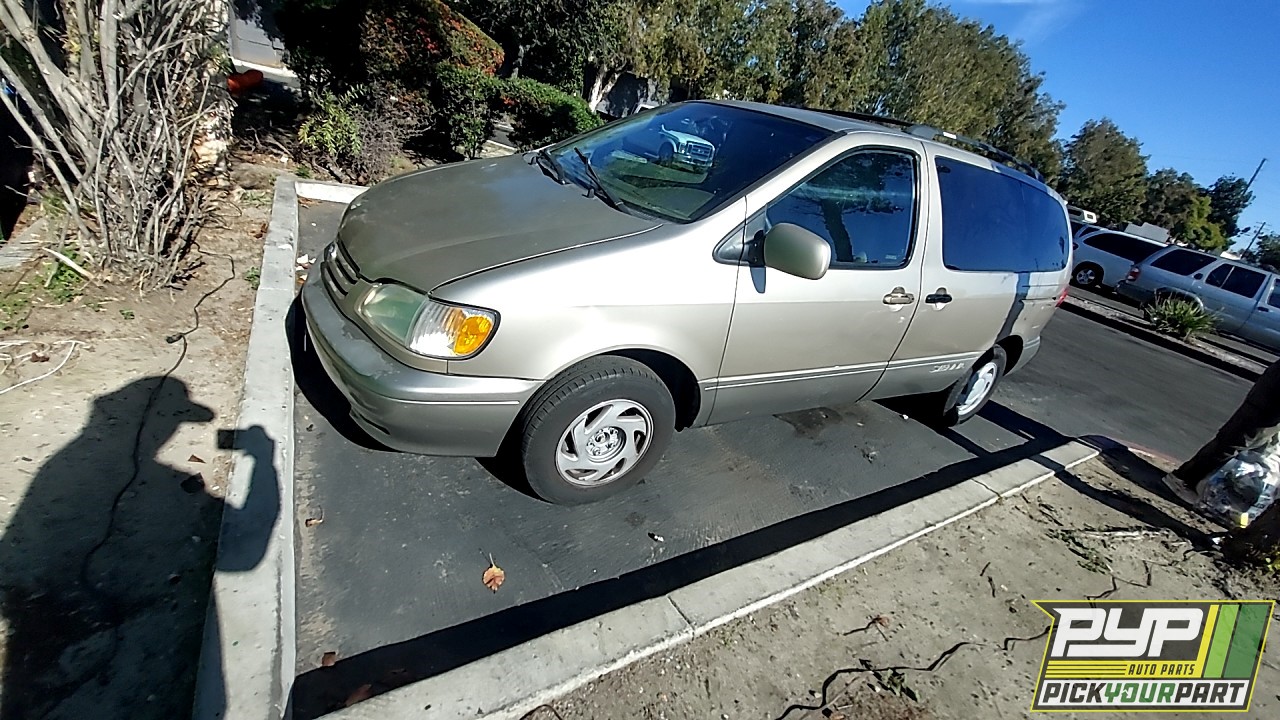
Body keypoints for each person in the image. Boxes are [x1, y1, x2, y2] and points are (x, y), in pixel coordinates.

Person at [1164, 358, 1280, 503]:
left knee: (1244, 440)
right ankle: (1186, 479)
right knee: (1237, 440)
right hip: (1271, 400)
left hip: (1270, 396)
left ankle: (1193, 478)